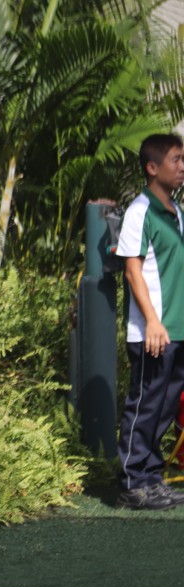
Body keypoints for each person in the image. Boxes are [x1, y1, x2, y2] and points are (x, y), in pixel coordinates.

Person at [114, 132, 184, 510]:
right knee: (143, 406)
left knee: (163, 407)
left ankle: (151, 478)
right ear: (152, 167)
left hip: (179, 330)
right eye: (176, 160)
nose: (182, 167)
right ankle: (131, 481)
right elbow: (132, 272)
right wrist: (153, 322)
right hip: (152, 331)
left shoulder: (176, 214)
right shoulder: (139, 211)